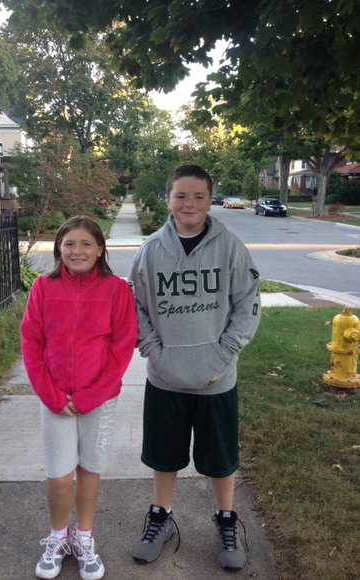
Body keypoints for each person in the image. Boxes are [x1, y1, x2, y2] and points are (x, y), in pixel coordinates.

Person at [127, 165, 261, 572]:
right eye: (181, 195)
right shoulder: (150, 250)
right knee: (164, 456)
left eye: (199, 196)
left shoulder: (231, 248)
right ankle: (161, 517)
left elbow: (248, 303)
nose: (190, 203)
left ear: (210, 201)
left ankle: (226, 520)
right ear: (168, 200)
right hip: (164, 377)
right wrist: (154, 351)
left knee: (220, 458)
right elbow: (134, 307)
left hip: (216, 378)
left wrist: (225, 352)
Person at [20, 216, 137, 580]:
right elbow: (31, 343)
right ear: (59, 248)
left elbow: (122, 348)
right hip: (55, 399)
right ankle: (57, 537)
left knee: (89, 470)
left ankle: (83, 537)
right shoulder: (43, 288)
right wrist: (52, 396)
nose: (77, 250)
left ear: (100, 249)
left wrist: (91, 396)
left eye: (86, 243)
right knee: (58, 476)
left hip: (99, 400)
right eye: (69, 243)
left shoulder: (117, 290)